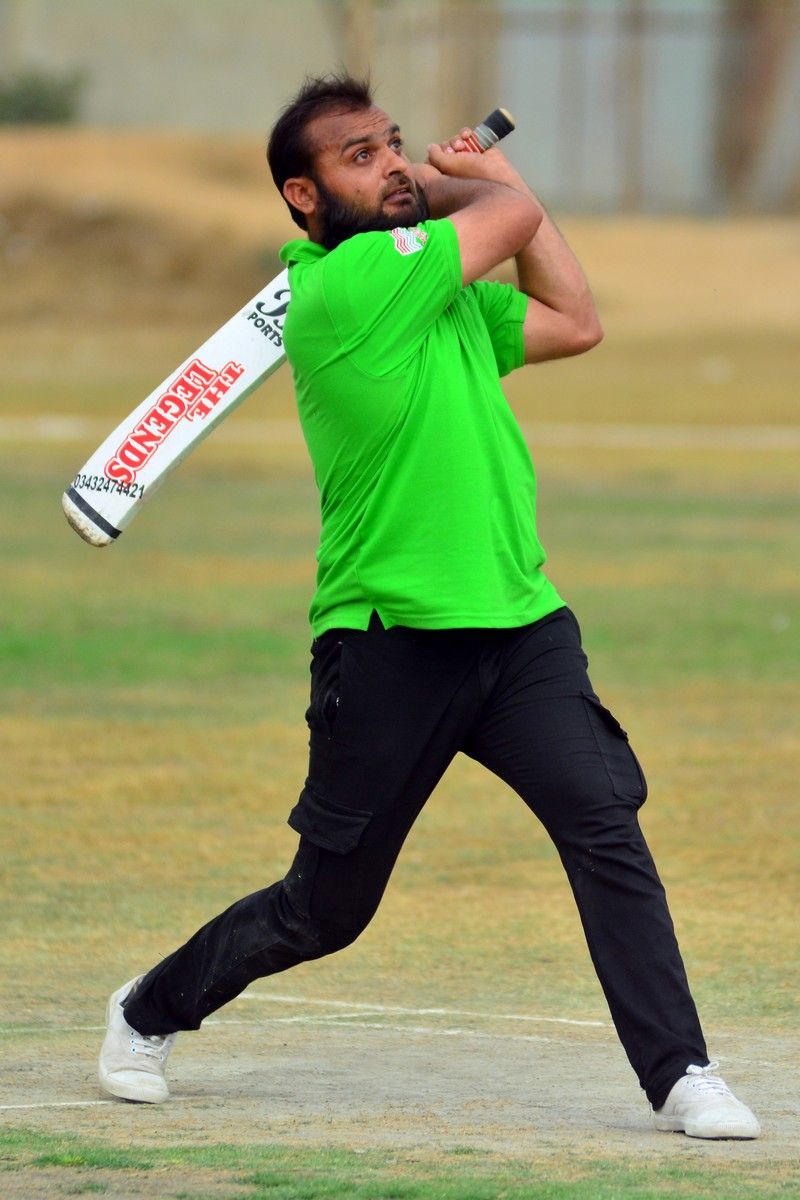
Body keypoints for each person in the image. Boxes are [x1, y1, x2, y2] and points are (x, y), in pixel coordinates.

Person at [98, 74, 760, 1140]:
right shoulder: (347, 288)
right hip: (388, 643)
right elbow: (510, 220)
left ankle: (682, 1071)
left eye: (394, 143)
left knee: (604, 827)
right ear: (301, 195)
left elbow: (574, 321)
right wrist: (473, 179)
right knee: (325, 909)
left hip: (520, 625)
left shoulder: (436, 293)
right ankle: (147, 1009)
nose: (392, 165)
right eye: (360, 156)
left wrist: (475, 185)